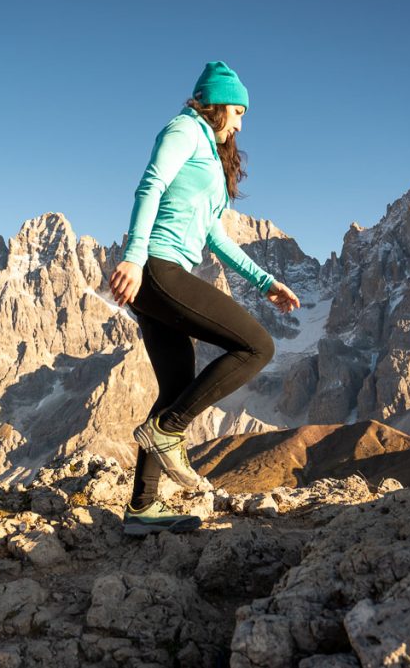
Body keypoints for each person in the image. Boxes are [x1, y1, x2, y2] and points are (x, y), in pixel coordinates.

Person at [109, 61, 301, 536]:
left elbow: (215, 235)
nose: (240, 122)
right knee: (258, 346)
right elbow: (149, 185)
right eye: (237, 111)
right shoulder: (184, 129)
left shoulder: (212, 159)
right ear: (212, 104)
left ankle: (141, 510)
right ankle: (169, 431)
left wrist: (264, 281)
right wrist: (134, 258)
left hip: (162, 272)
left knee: (175, 385)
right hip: (156, 267)